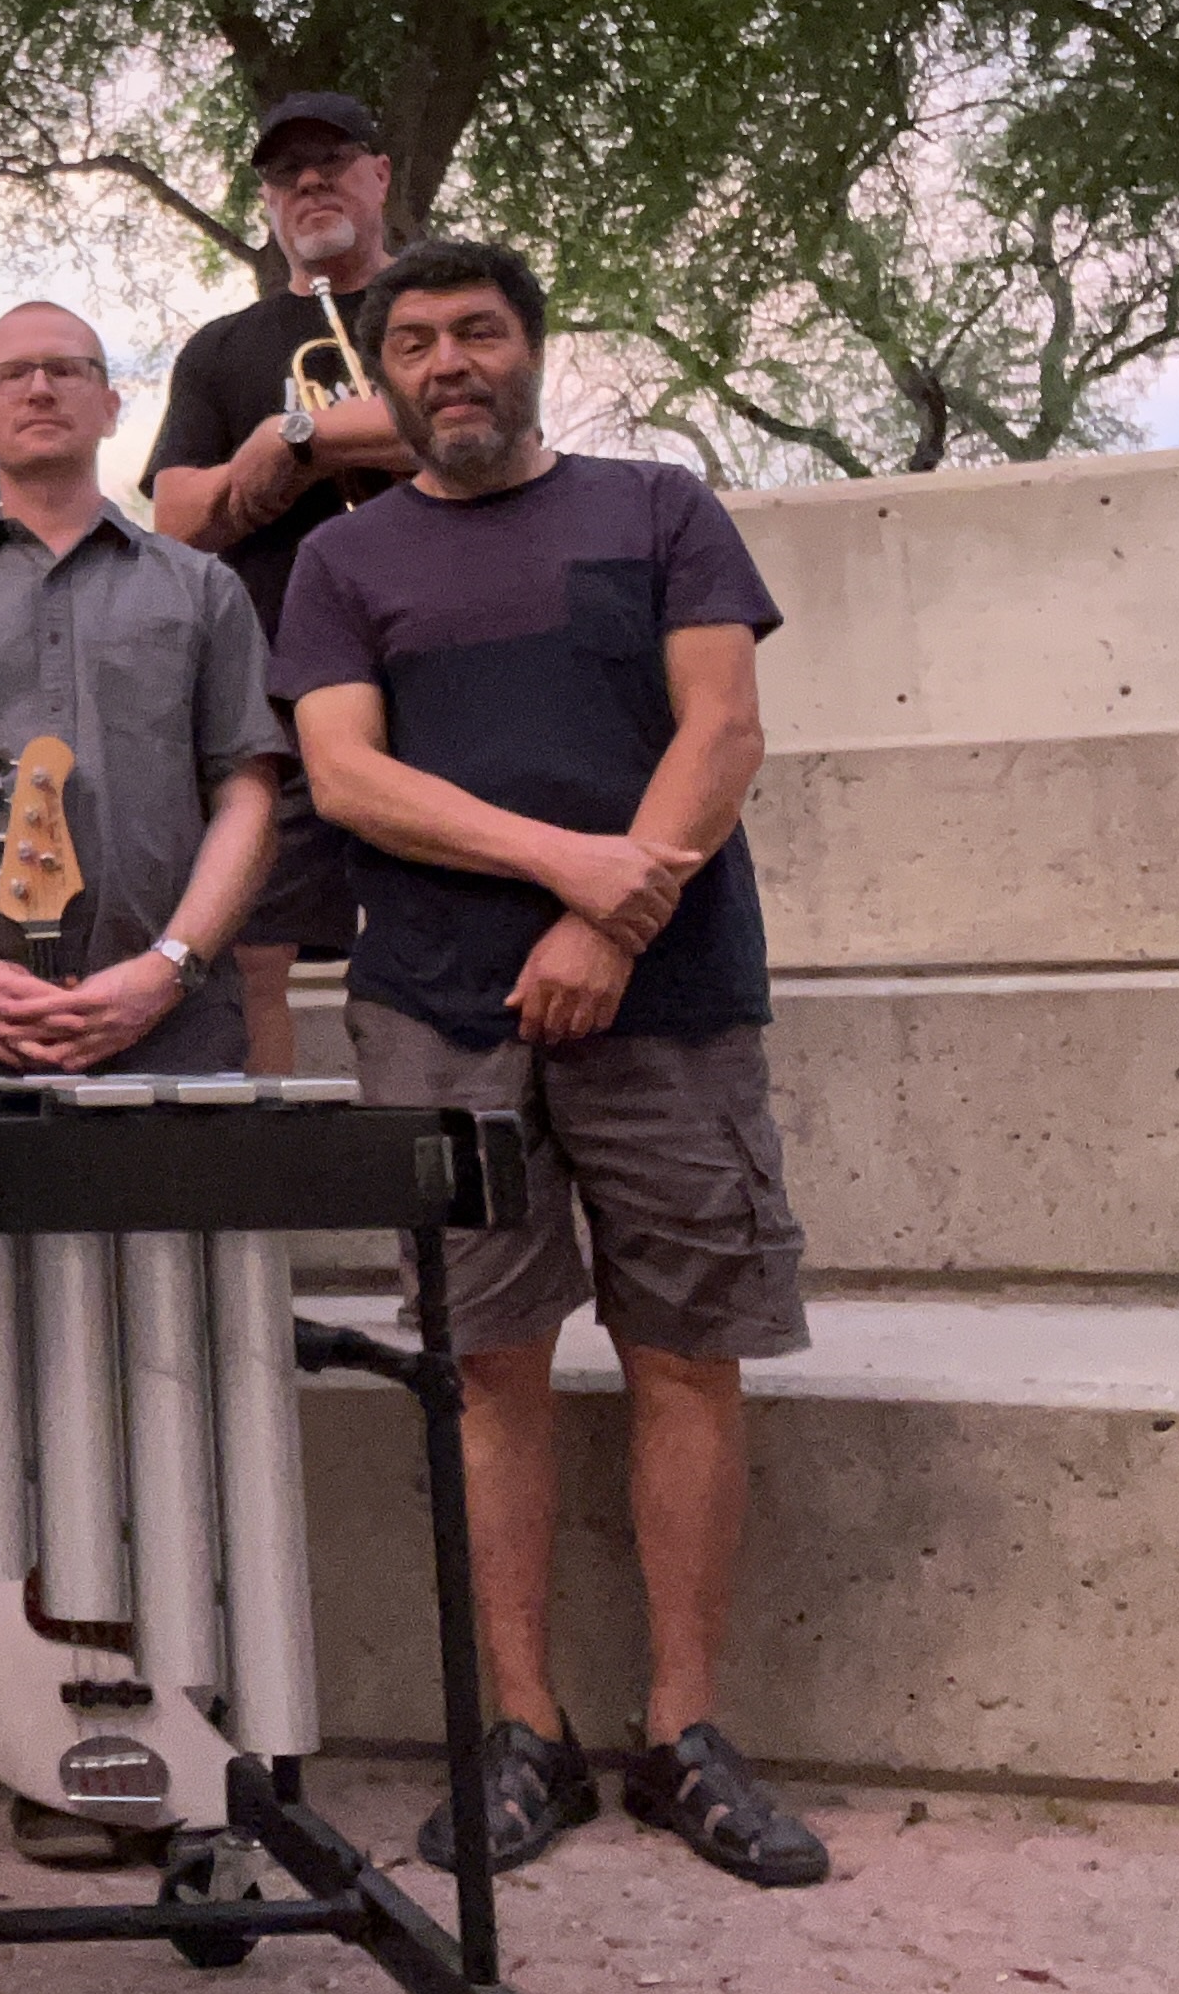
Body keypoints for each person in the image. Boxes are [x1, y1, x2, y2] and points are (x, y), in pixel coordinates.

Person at [269, 237, 828, 1892]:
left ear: (531, 346)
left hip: (669, 999)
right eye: (414, 341)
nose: (448, 361)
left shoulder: (658, 510)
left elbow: (721, 729)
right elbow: (348, 778)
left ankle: (683, 1729)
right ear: (382, 375)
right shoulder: (343, 560)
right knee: (489, 1364)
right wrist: (564, 865)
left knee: (685, 1350)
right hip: (436, 1011)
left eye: (478, 330)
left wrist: (607, 921)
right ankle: (524, 1727)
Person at [0, 301, 282, 1088]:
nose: (39, 388)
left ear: (110, 407)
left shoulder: (205, 590)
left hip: (176, 1023)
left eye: (66, 370)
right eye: (12, 375)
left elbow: (248, 797)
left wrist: (168, 969)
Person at [143, 88, 414, 1065]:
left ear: (380, 175)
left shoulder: (437, 306)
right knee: (257, 946)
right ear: (265, 200)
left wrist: (294, 437)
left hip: (435, 653)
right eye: (284, 173)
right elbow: (177, 516)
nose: (309, 184)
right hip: (285, 672)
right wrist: (267, 471)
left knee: (440, 919)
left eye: (332, 162)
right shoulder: (223, 348)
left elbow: (466, 429)